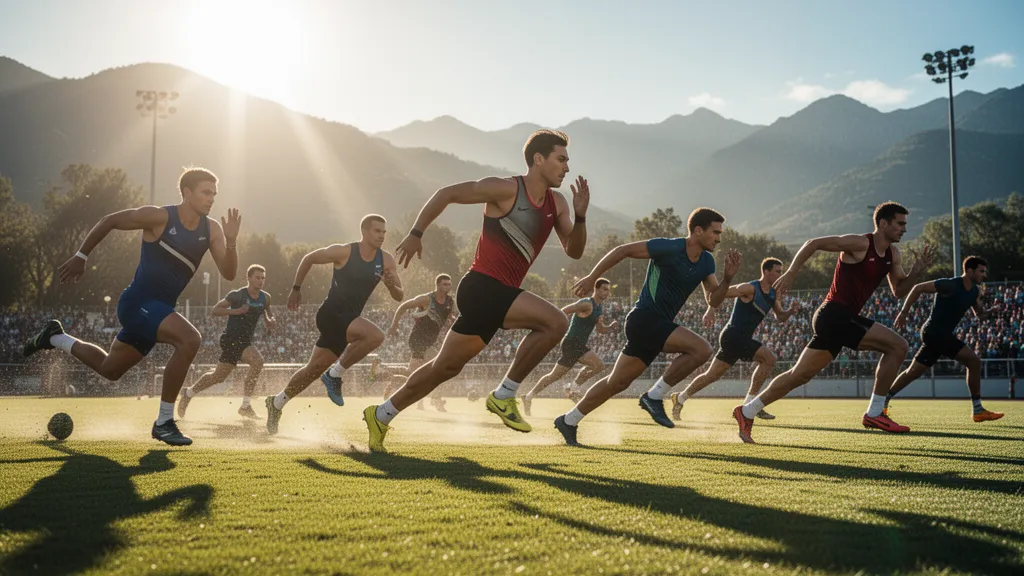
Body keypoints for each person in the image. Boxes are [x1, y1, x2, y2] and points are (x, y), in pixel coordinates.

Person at [363, 129, 589, 452]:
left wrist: (580, 217)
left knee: (443, 368)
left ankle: (381, 414)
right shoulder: (505, 189)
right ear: (539, 159)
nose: (567, 167)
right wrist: (416, 233)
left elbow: (574, 250)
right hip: (481, 288)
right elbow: (446, 194)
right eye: (561, 159)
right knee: (555, 322)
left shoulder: (559, 203)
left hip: (496, 297)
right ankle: (505, 394)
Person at [22, 168, 240, 446]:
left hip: (158, 311)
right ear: (187, 192)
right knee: (190, 339)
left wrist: (231, 242)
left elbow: (229, 273)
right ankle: (164, 422)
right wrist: (81, 255)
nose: (211, 199)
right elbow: (110, 220)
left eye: (214, 194)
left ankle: (55, 337)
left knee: (110, 369)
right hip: (137, 303)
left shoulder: (212, 229)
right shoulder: (159, 217)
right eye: (206, 192)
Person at [734, 201, 932, 444]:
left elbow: (899, 291)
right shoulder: (860, 244)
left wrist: (915, 273)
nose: (904, 229)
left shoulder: (893, 255)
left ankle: (747, 411)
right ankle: (875, 413)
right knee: (898, 346)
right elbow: (813, 243)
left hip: (838, 320)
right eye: (900, 224)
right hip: (834, 315)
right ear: (883, 223)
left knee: (798, 376)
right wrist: (792, 272)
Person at [553, 208, 741, 446]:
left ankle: (568, 420)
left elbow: (713, 299)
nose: (719, 238)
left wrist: (727, 279)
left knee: (616, 383)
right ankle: (654, 396)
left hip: (656, 327)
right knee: (701, 349)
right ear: (697, 230)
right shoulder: (669, 247)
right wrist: (592, 277)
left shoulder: (706, 262)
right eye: (715, 232)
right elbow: (622, 250)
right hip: (644, 320)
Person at [264, 215, 403, 435]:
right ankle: (335, 374)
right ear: (364, 231)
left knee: (312, 370)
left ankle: (277, 402)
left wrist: (391, 285)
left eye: (384, 232)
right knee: (376, 336)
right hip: (331, 314)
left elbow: (399, 295)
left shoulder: (386, 260)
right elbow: (309, 258)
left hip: (348, 321)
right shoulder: (345, 252)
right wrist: (296, 288)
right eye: (377, 231)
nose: (381, 236)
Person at [671, 258, 800, 421]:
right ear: (766, 272)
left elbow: (780, 316)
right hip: (733, 335)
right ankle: (749, 406)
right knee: (769, 359)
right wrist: (710, 310)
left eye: (781, 272)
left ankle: (680, 398)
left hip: (739, 339)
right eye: (777, 271)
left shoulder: (774, 294)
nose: (780, 275)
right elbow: (719, 294)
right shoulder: (749, 288)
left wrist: (790, 312)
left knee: (711, 375)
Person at [889, 256, 1004, 422]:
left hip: (939, 336)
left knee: (913, 372)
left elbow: (980, 316)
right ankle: (978, 410)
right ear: (970, 271)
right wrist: (904, 312)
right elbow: (918, 288)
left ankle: (882, 399)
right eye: (981, 271)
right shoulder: (950, 284)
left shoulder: (975, 292)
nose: (984, 275)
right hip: (933, 331)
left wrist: (991, 311)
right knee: (973, 361)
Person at [177, 264, 276, 420]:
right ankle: (245, 406)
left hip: (245, 340)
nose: (261, 280)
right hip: (231, 339)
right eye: (257, 277)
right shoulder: (237, 295)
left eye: (263, 278)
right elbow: (215, 310)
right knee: (257, 362)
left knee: (218, 377)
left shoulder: (266, 298)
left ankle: (188, 393)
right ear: (249, 278)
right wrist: (237, 311)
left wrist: (269, 321)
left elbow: (267, 311)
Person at [522, 278, 618, 416]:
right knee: (598, 366)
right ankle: (572, 388)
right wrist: (555, 328)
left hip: (578, 344)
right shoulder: (586, 303)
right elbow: (562, 311)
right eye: (604, 289)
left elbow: (600, 329)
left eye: (608, 290)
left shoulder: (599, 308)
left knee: (554, 376)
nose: (607, 292)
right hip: (571, 342)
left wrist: (610, 327)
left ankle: (528, 396)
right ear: (596, 289)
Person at [382, 273, 457, 411]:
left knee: (415, 373)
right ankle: (436, 401)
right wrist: (394, 325)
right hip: (417, 339)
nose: (448, 286)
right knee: (438, 367)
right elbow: (403, 306)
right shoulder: (426, 299)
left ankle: (393, 379)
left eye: (449, 284)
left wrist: (452, 321)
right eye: (445, 284)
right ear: (438, 285)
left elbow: (449, 317)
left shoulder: (450, 302)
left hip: (430, 342)